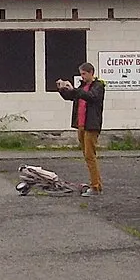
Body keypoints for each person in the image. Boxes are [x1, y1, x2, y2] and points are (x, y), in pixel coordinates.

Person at [55, 61, 106, 194]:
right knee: (86, 155)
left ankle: (95, 186)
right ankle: (96, 184)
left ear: (91, 73)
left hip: (91, 125)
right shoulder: (82, 87)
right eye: (81, 74)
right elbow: (71, 96)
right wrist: (62, 89)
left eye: (84, 74)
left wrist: (74, 90)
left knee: (90, 156)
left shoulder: (98, 86)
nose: (82, 76)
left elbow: (91, 97)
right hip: (81, 125)